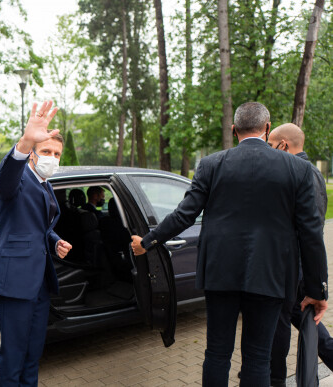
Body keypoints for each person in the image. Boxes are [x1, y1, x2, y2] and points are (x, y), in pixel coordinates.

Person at [130, 102, 328, 386]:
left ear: (233, 130)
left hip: (219, 274)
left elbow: (185, 213)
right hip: (270, 275)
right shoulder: (297, 168)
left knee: (217, 352)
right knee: (259, 356)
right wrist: (317, 289)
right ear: (267, 128)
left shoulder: (211, 164)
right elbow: (311, 232)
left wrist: (147, 242)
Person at [0, 101, 73, 386]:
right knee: (13, 358)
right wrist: (25, 141)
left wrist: (55, 240)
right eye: (46, 151)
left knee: (32, 356)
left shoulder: (45, 183)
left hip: (40, 284)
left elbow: (36, 227)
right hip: (14, 284)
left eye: (57, 153)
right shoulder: (19, 178)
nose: (52, 157)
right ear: (34, 154)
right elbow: (4, 180)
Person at [268, 123, 331, 386]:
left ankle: (274, 378)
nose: (268, 152)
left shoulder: (307, 175)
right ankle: (271, 375)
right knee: (307, 327)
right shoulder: (297, 173)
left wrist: (317, 288)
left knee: (297, 327)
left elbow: (312, 233)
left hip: (298, 272)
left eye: (271, 146)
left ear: (284, 144)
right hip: (294, 270)